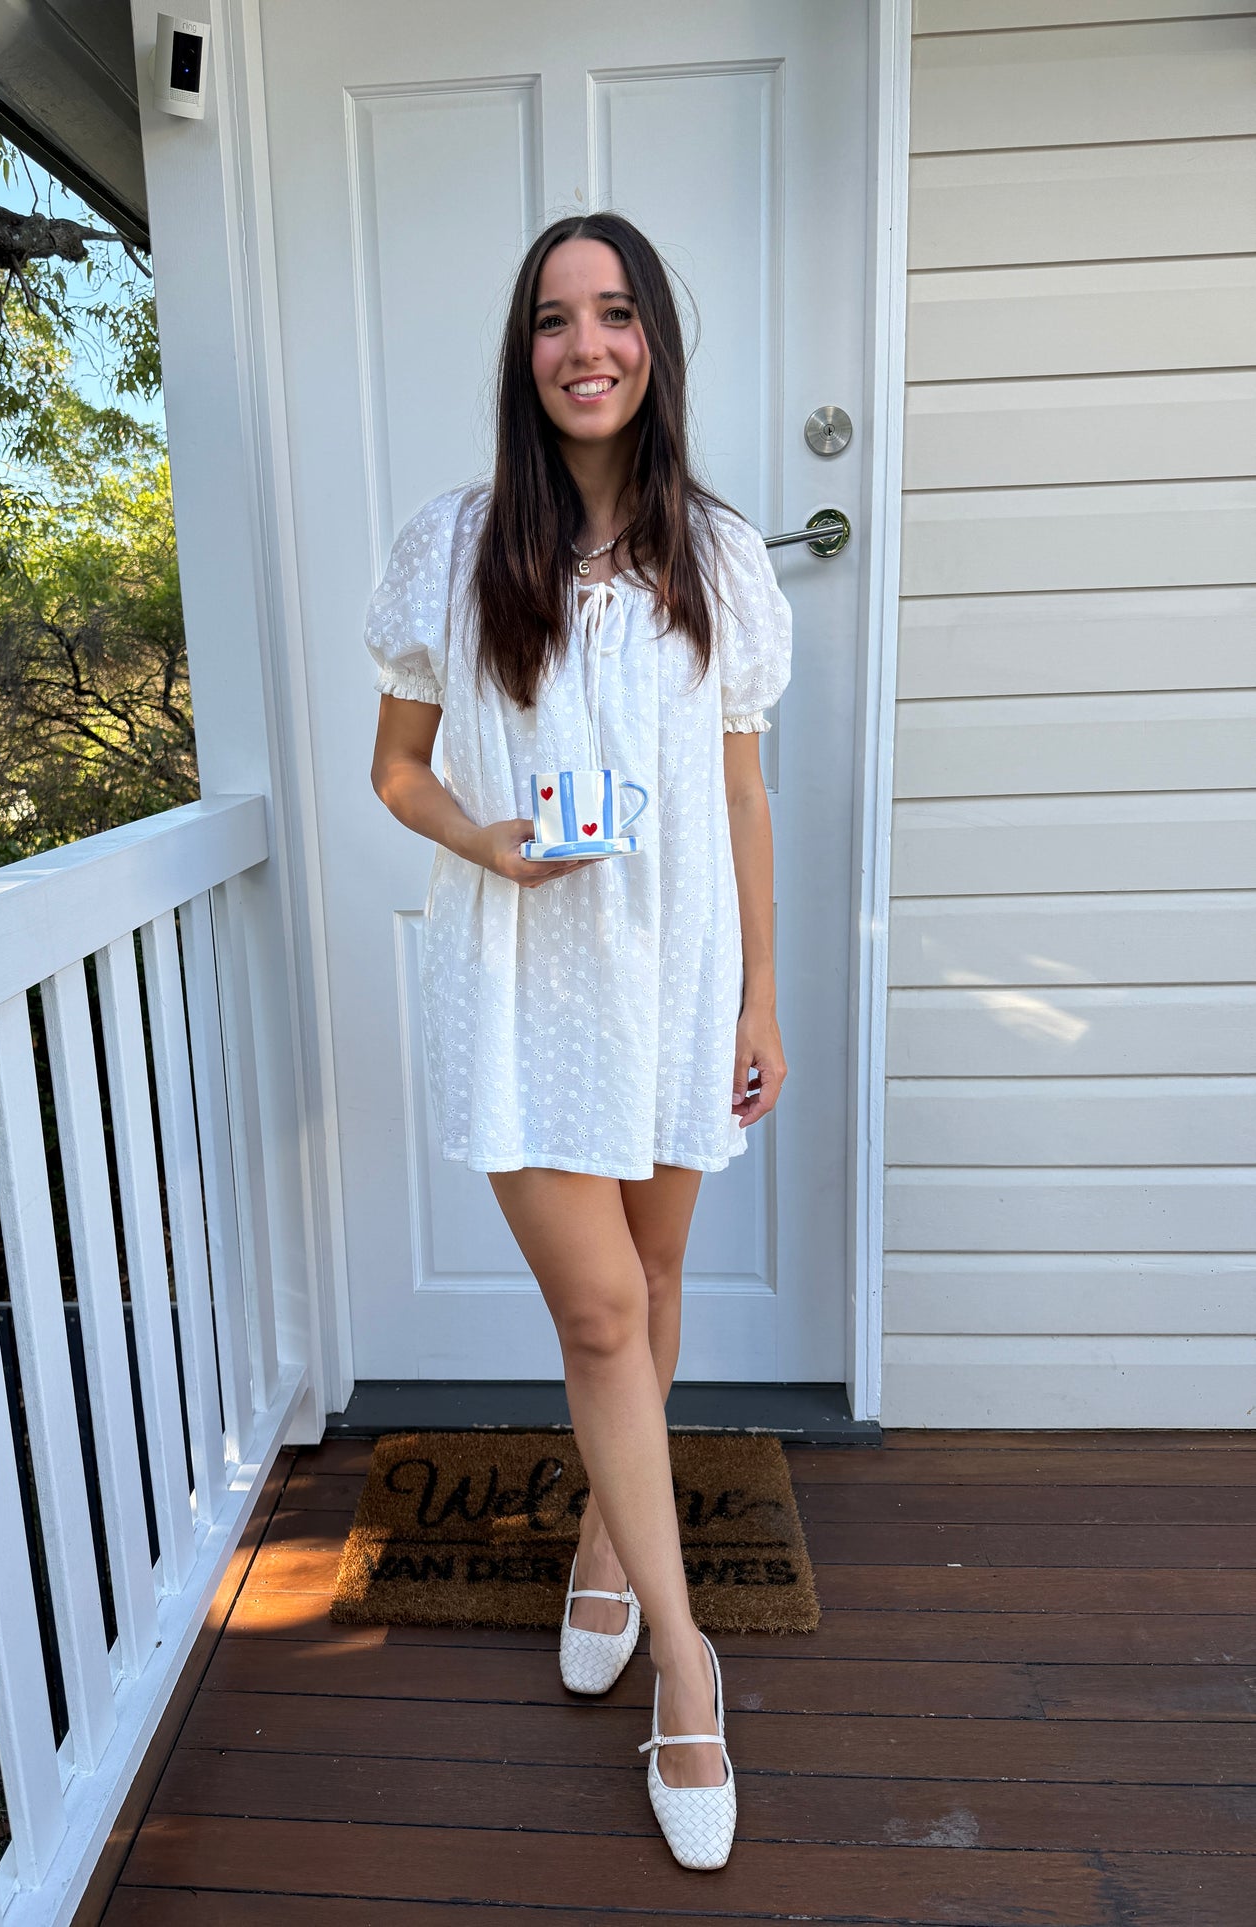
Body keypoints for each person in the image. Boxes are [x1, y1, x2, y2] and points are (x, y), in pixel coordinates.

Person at [365, 211, 791, 1871]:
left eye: (614, 316)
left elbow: (743, 790)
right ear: (522, 351)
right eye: (554, 320)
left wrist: (760, 995)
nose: (585, 347)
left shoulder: (722, 557)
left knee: (661, 1285)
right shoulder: (456, 544)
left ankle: (611, 1555)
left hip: (680, 978)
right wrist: (484, 844)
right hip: (529, 976)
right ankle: (689, 1671)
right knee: (604, 1311)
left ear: (654, 343)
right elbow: (396, 768)